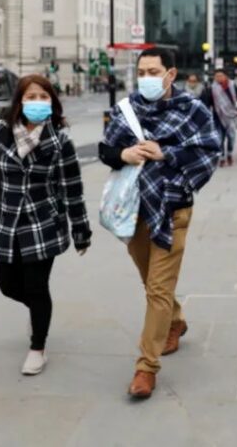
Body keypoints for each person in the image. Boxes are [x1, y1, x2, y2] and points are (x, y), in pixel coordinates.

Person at [99, 48, 221, 400]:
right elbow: (105, 150)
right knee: (150, 280)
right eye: (142, 71)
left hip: (172, 208)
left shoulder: (193, 111)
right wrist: (124, 154)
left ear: (171, 74)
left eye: (154, 71)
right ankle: (176, 321)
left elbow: (209, 151)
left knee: (156, 289)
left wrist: (166, 153)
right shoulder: (125, 110)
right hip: (133, 209)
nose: (146, 78)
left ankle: (145, 368)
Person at [0, 74, 91, 376]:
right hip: (7, 221)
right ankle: (39, 313)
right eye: (31, 97)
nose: (37, 103)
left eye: (43, 97)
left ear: (52, 102)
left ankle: (38, 346)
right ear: (19, 102)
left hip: (44, 223)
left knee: (37, 287)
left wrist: (80, 231)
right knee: (7, 285)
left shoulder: (60, 141)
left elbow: (72, 188)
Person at [209, 68, 237, 167]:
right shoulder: (212, 88)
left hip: (231, 116)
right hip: (218, 117)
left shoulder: (232, 86)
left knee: (231, 137)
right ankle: (222, 157)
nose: (218, 78)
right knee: (220, 138)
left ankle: (229, 154)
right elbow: (207, 101)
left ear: (225, 76)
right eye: (217, 76)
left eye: (220, 76)